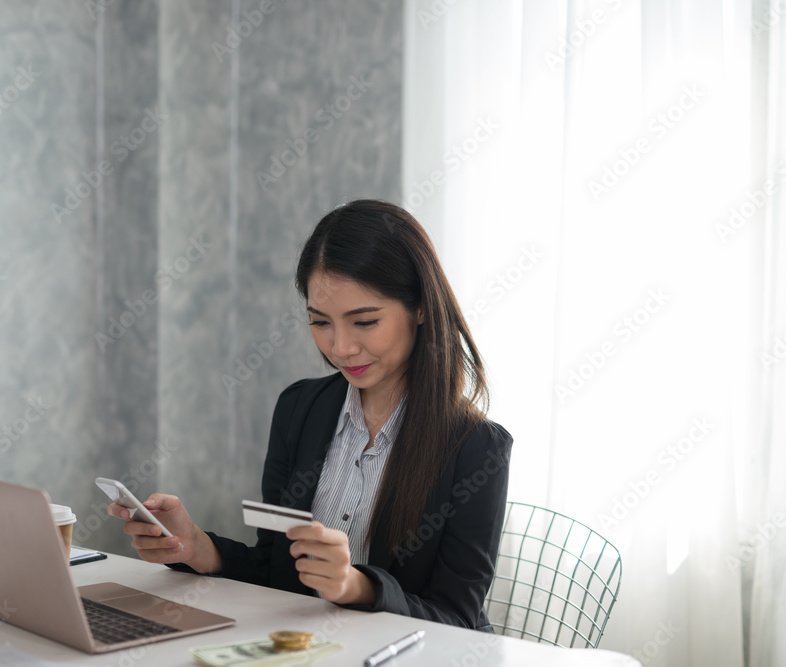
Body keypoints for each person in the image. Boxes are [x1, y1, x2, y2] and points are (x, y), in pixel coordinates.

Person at [108, 199, 512, 630]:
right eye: (320, 322)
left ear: (420, 308)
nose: (340, 348)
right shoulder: (300, 409)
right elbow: (275, 568)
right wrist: (198, 547)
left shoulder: (477, 448)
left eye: (364, 322)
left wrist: (356, 586)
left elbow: (457, 617)